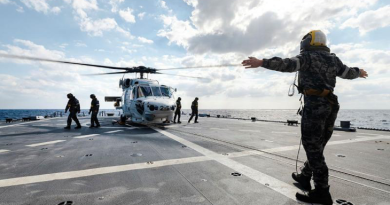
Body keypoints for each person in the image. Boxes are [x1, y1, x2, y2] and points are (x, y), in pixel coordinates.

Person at [242, 30, 368, 205]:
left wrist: (262, 62)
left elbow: (287, 64)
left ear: (309, 42)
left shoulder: (307, 57)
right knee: (318, 145)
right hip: (331, 105)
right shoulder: (333, 59)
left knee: (313, 149)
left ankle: (322, 192)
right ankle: (304, 176)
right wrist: (359, 72)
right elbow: (348, 72)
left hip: (315, 106)